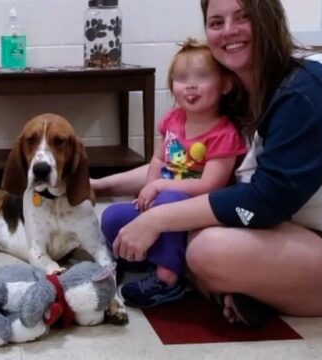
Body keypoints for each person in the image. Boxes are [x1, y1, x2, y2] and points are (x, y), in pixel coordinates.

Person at [93, 0, 322, 327]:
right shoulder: (245, 89)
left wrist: (157, 220)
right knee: (186, 221)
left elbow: (265, 201)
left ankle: (247, 287)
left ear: (269, 18)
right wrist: (99, 185)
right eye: (217, 22)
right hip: (294, 228)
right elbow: (178, 168)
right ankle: (246, 289)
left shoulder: (307, 91)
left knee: (205, 247)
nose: (229, 31)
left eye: (243, 18)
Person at [99, 39, 246, 308]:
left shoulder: (224, 134)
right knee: (111, 217)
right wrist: (149, 186)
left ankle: (167, 279)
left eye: (202, 76)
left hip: (193, 210)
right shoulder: (173, 120)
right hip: (161, 200)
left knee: (171, 200)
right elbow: (158, 157)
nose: (190, 85)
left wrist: (159, 189)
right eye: (181, 78)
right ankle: (141, 257)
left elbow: (211, 185)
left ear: (226, 85)